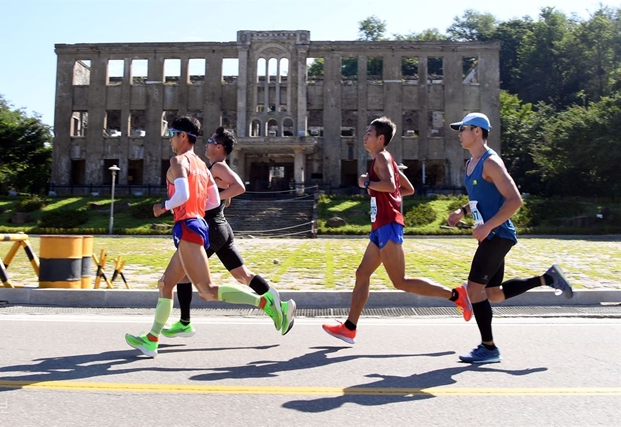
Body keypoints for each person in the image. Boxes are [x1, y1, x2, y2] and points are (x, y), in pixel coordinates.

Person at [125, 117, 295, 357]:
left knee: (206, 290)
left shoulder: (181, 162)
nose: (170, 138)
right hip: (204, 225)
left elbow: (183, 195)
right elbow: (211, 195)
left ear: (183, 136)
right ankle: (152, 339)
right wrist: (223, 199)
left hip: (193, 227)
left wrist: (163, 206)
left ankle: (264, 303)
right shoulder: (201, 166)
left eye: (172, 133)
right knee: (167, 282)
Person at [322, 116, 472, 344]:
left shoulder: (382, 156)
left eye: (369, 133)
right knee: (362, 274)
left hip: (388, 225)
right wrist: (383, 192)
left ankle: (457, 295)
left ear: (381, 138)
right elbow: (407, 189)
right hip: (380, 226)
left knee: (400, 281)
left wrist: (368, 184)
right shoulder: (384, 159)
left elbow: (392, 186)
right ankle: (349, 327)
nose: (365, 136)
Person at [447, 112, 573, 364]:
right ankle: (548, 278)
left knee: (474, 290)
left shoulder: (491, 162)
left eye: (463, 129)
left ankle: (489, 348)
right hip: (491, 235)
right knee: (493, 294)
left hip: (498, 234)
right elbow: (480, 200)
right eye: (459, 129)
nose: (459, 133)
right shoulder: (470, 164)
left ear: (478, 132)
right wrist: (462, 211)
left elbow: (515, 200)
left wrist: (488, 227)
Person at [162, 127, 296, 339]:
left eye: (210, 141)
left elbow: (240, 186)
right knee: (243, 275)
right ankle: (278, 303)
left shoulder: (217, 166)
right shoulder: (210, 168)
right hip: (221, 227)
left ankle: (185, 323)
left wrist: (220, 195)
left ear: (219, 147)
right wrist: (218, 195)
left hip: (212, 227)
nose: (206, 144)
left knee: (183, 275)